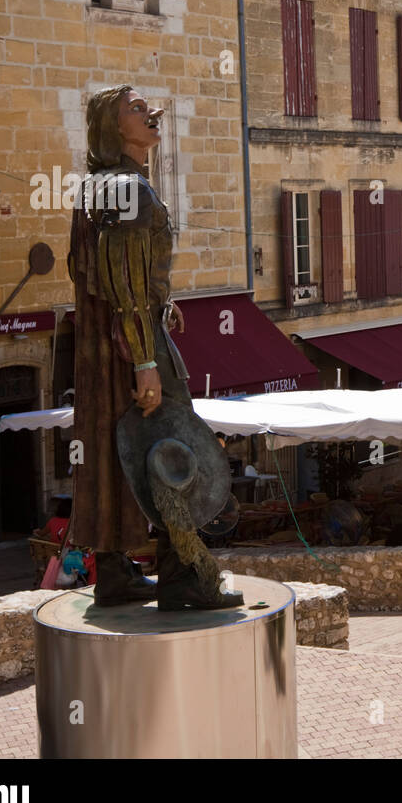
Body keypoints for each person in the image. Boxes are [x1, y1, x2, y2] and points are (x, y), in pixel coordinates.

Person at [68, 85, 241, 610]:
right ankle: (181, 578)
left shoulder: (98, 186)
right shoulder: (128, 189)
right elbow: (122, 283)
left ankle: (115, 575)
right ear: (112, 126)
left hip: (109, 343)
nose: (153, 113)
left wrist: (159, 304)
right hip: (131, 343)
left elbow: (107, 275)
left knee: (110, 446)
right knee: (171, 442)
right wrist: (145, 359)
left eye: (150, 107)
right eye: (137, 109)